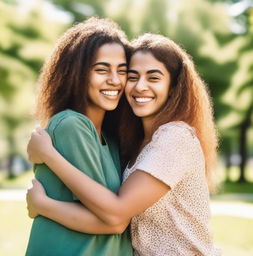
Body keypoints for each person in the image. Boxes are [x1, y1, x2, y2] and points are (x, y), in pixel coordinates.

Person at [27, 33, 221, 256]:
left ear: (173, 86)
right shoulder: (136, 142)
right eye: (132, 75)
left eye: (154, 78)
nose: (140, 86)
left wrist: (49, 162)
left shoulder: (174, 138)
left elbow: (117, 215)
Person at [25, 17, 133, 256]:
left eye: (122, 71)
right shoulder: (71, 124)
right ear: (77, 73)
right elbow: (114, 220)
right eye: (102, 70)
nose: (115, 80)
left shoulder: (109, 136)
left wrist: (44, 205)